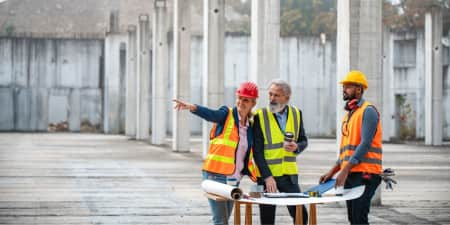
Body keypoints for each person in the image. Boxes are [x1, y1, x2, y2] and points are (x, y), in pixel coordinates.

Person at [173, 81, 260, 225]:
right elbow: (212, 114)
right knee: (220, 221)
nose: (241, 102)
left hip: (234, 179)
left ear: (253, 103)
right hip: (216, 175)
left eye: (246, 100)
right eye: (239, 98)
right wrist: (194, 108)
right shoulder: (226, 115)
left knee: (224, 219)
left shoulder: (250, 126)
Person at [319, 70, 382, 225]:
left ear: (359, 89)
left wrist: (344, 171)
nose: (344, 90)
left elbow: (365, 144)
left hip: (366, 173)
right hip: (352, 173)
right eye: (344, 87)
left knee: (359, 218)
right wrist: (333, 171)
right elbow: (345, 151)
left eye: (347, 87)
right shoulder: (349, 115)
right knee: (353, 219)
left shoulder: (368, 111)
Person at [253, 79, 308, 225]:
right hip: (267, 177)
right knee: (267, 219)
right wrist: (267, 177)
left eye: (276, 95)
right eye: (270, 94)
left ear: (287, 98)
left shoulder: (297, 114)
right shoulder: (260, 116)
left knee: (301, 216)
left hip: (289, 175)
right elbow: (257, 151)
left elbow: (303, 140)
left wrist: (297, 147)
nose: (272, 98)